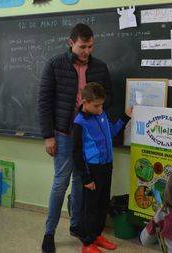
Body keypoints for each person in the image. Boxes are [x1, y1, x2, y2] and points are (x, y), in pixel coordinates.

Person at [38, 23, 113, 253]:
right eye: (82, 46)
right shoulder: (55, 65)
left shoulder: (100, 67)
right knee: (60, 183)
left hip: (88, 137)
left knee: (82, 184)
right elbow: (44, 102)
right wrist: (48, 136)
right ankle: (49, 233)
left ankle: (78, 227)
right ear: (71, 43)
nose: (86, 51)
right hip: (63, 135)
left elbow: (106, 100)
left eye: (90, 46)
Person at [72, 83, 131, 253]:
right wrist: (86, 178)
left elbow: (112, 132)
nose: (100, 109)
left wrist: (125, 117)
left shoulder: (101, 114)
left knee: (103, 204)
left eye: (101, 105)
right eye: (96, 105)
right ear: (85, 102)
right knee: (90, 207)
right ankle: (87, 243)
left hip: (107, 166)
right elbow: (76, 153)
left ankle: (97, 235)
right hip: (92, 170)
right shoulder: (79, 123)